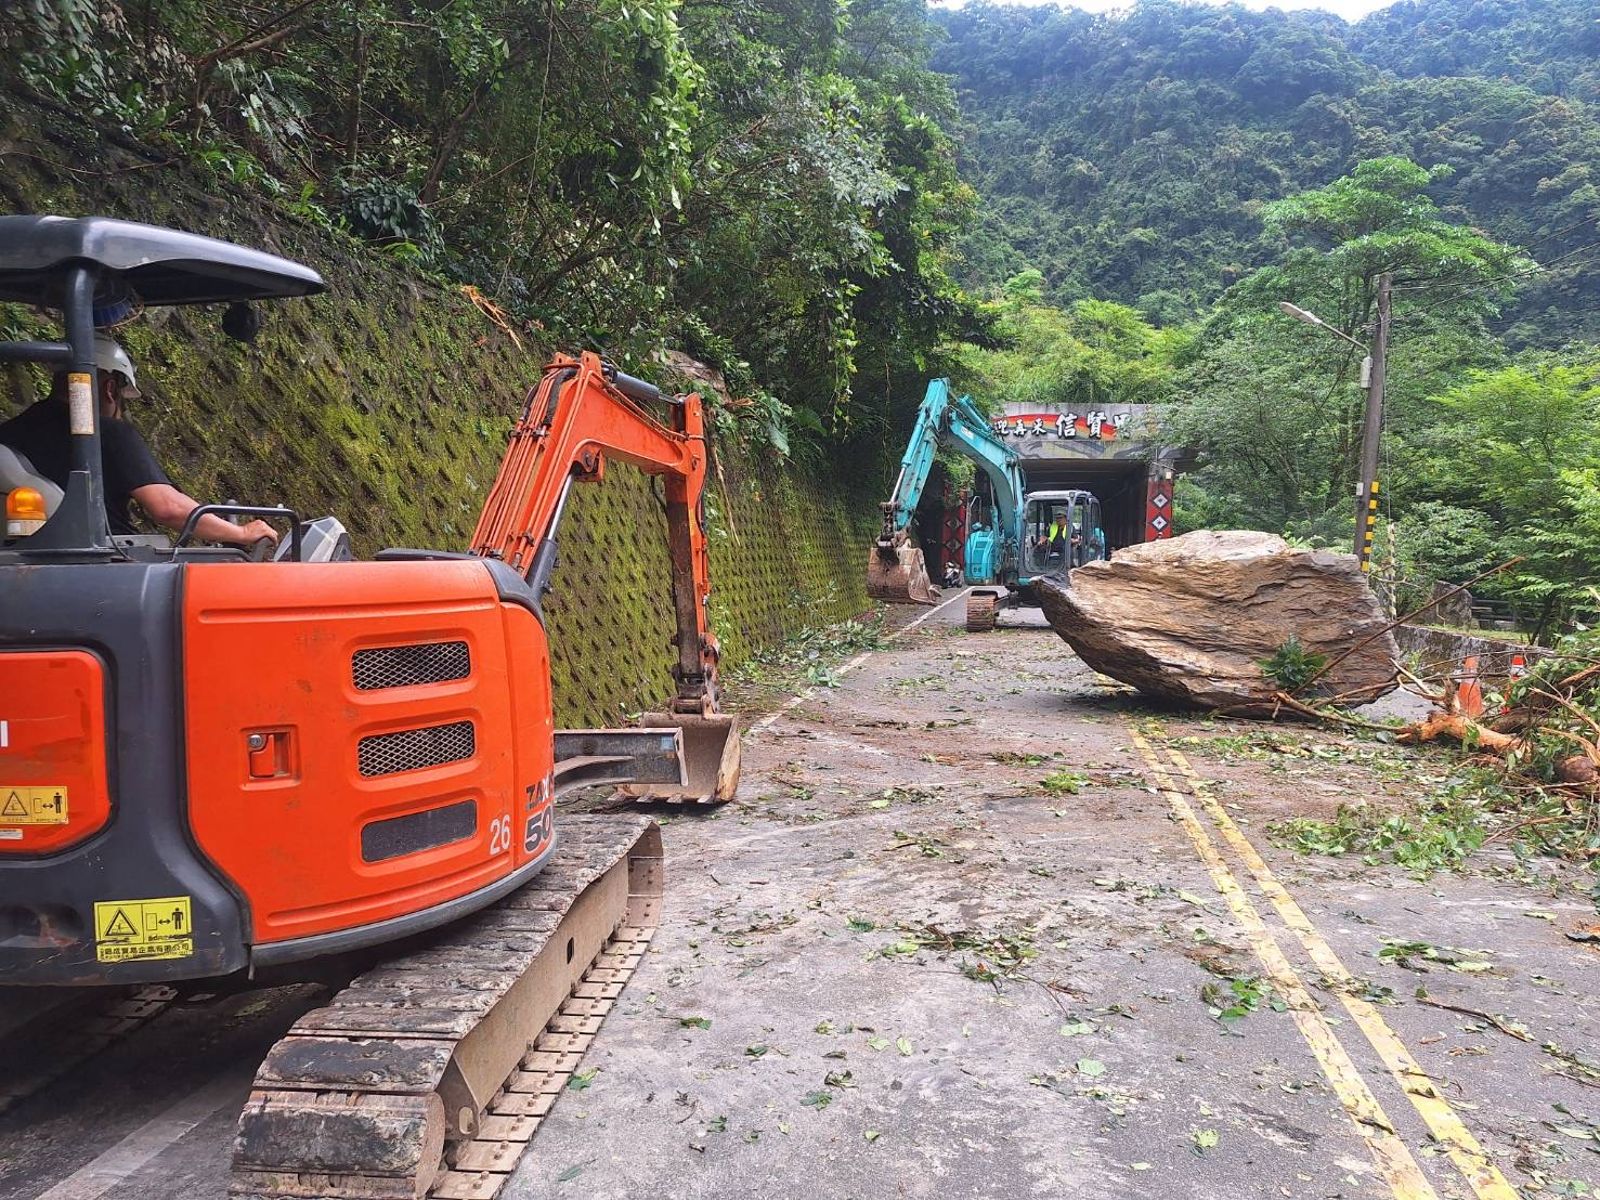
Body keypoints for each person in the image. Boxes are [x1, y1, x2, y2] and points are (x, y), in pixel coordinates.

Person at [0, 335, 278, 549]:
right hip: (108, 562)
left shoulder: (9, 432)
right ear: (111, 389)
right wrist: (241, 533)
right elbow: (168, 508)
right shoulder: (106, 432)